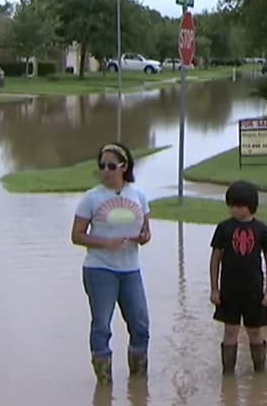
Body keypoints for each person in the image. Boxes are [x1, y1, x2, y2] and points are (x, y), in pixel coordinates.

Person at [71, 142, 152, 385]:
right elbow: (76, 235)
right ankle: (104, 383)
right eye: (102, 166)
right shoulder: (91, 198)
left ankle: (138, 383)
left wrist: (144, 237)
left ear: (124, 167)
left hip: (130, 269)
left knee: (140, 325)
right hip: (100, 268)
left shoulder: (138, 195)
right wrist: (105, 242)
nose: (106, 170)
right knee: (102, 325)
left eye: (111, 166)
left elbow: (146, 231)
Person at [209, 180, 267, 375]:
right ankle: (228, 374)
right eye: (232, 206)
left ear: (251, 206)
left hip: (254, 291)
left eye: (239, 206)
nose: (235, 210)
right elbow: (215, 260)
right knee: (230, 331)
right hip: (229, 291)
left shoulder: (262, 230)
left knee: (255, 331)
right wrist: (214, 289)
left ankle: (259, 371)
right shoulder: (223, 228)